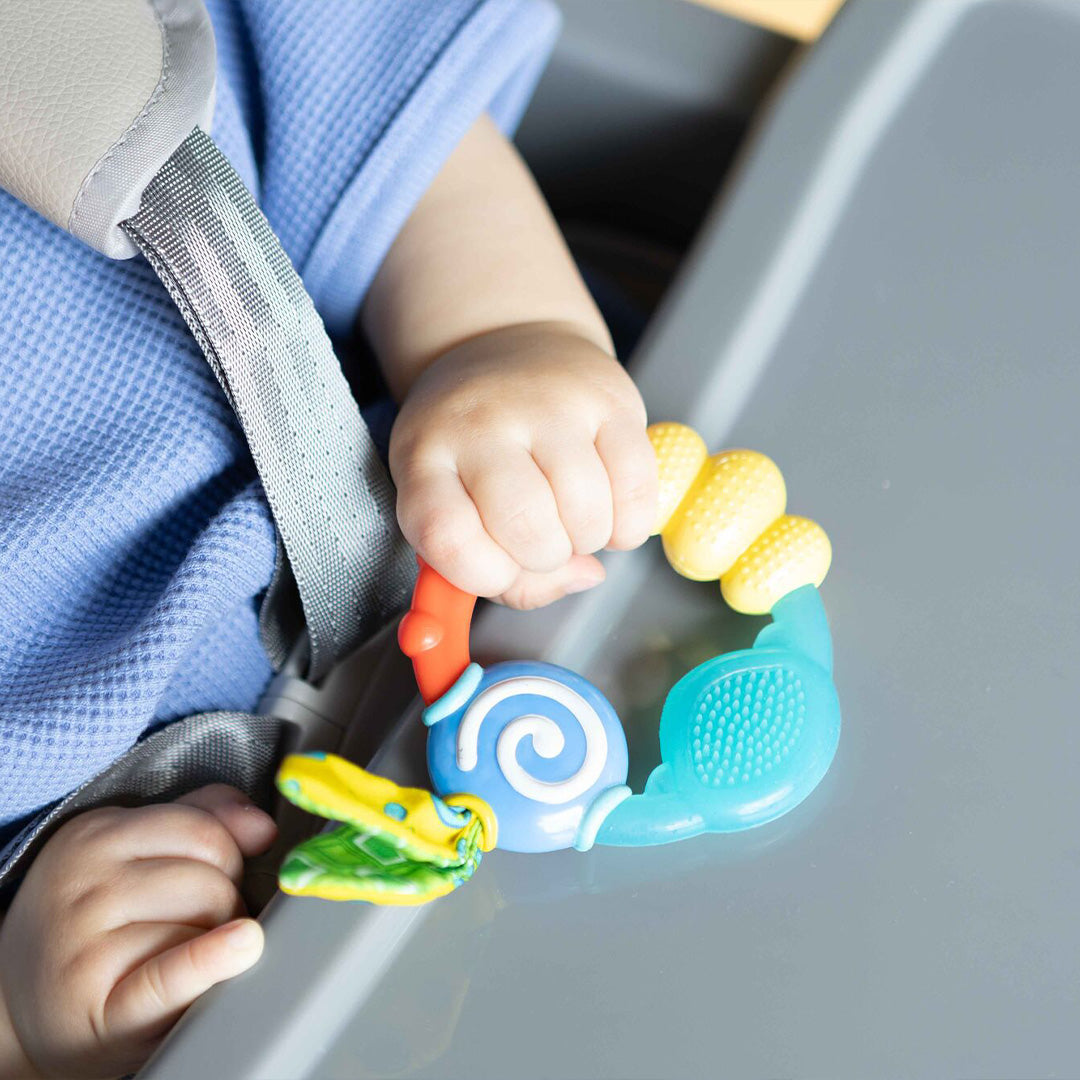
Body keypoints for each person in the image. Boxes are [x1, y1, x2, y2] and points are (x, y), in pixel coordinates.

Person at [0, 1, 658, 1076]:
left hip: (496, 535)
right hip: (211, 930)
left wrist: (499, 335)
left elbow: (381, 131)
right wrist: (24, 1020)